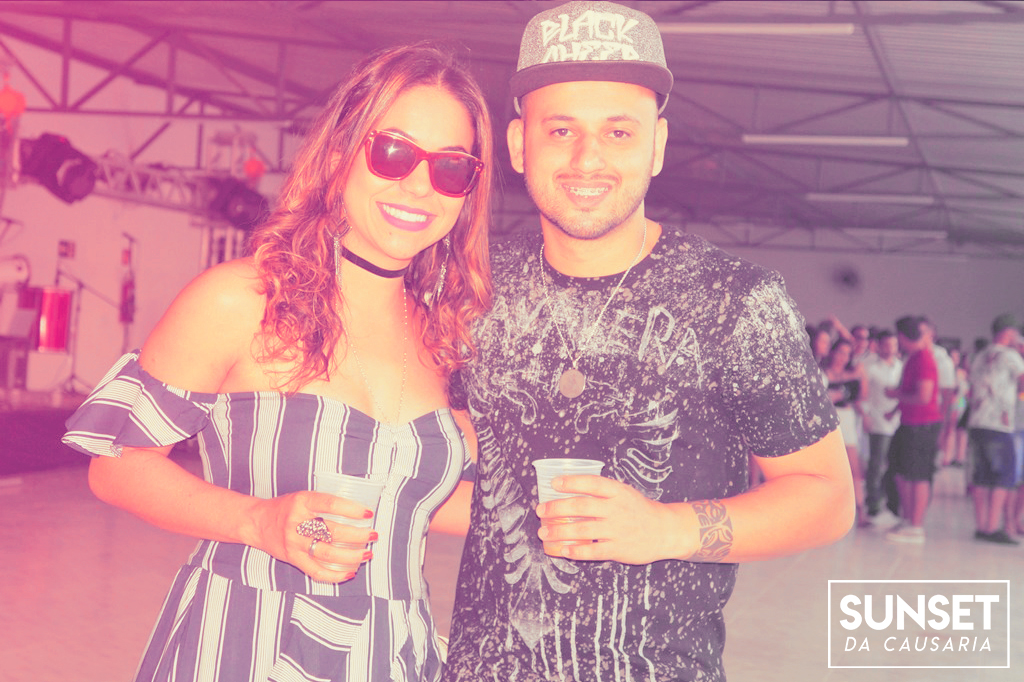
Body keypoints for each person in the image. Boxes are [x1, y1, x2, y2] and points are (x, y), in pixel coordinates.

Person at [441, 3, 854, 680]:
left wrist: (668, 529)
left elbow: (827, 499)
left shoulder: (735, 301)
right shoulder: (473, 288)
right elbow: (447, 479)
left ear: (657, 145)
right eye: (561, 129)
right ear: (518, 145)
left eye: (619, 131)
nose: (588, 158)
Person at [62, 43, 493, 682]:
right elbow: (118, 466)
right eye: (393, 152)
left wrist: (550, 516)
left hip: (391, 654)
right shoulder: (242, 300)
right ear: (342, 150)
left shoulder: (442, 334)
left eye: (451, 167)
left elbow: (412, 504)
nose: (419, 185)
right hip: (243, 644)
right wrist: (257, 520)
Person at [885, 315, 944, 544]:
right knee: (901, 471)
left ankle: (916, 526)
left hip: (922, 425)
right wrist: (896, 408)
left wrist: (895, 395)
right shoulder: (914, 357)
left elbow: (923, 396)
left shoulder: (924, 359)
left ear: (902, 336)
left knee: (917, 475)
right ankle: (908, 519)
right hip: (910, 423)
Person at [966, 313, 1024, 544]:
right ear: (1008, 333)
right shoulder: (1010, 356)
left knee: (981, 475)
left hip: (977, 421)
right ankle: (992, 526)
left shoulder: (980, 355)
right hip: (1000, 424)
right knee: (1002, 477)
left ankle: (981, 525)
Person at [822, 338, 869, 526]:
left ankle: (860, 510)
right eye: (840, 352)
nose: (843, 357)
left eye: (847, 354)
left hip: (847, 419)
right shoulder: (822, 372)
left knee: (854, 467)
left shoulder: (854, 374)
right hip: (828, 419)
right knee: (829, 467)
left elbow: (862, 397)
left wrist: (861, 376)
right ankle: (828, 512)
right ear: (833, 352)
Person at [860, 329, 903, 517]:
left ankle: (890, 500)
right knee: (876, 463)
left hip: (898, 421)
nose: (890, 348)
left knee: (894, 464)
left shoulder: (901, 367)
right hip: (878, 420)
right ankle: (873, 501)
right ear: (879, 346)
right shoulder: (870, 367)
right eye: (886, 344)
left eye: (893, 344)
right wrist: (866, 415)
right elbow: (863, 394)